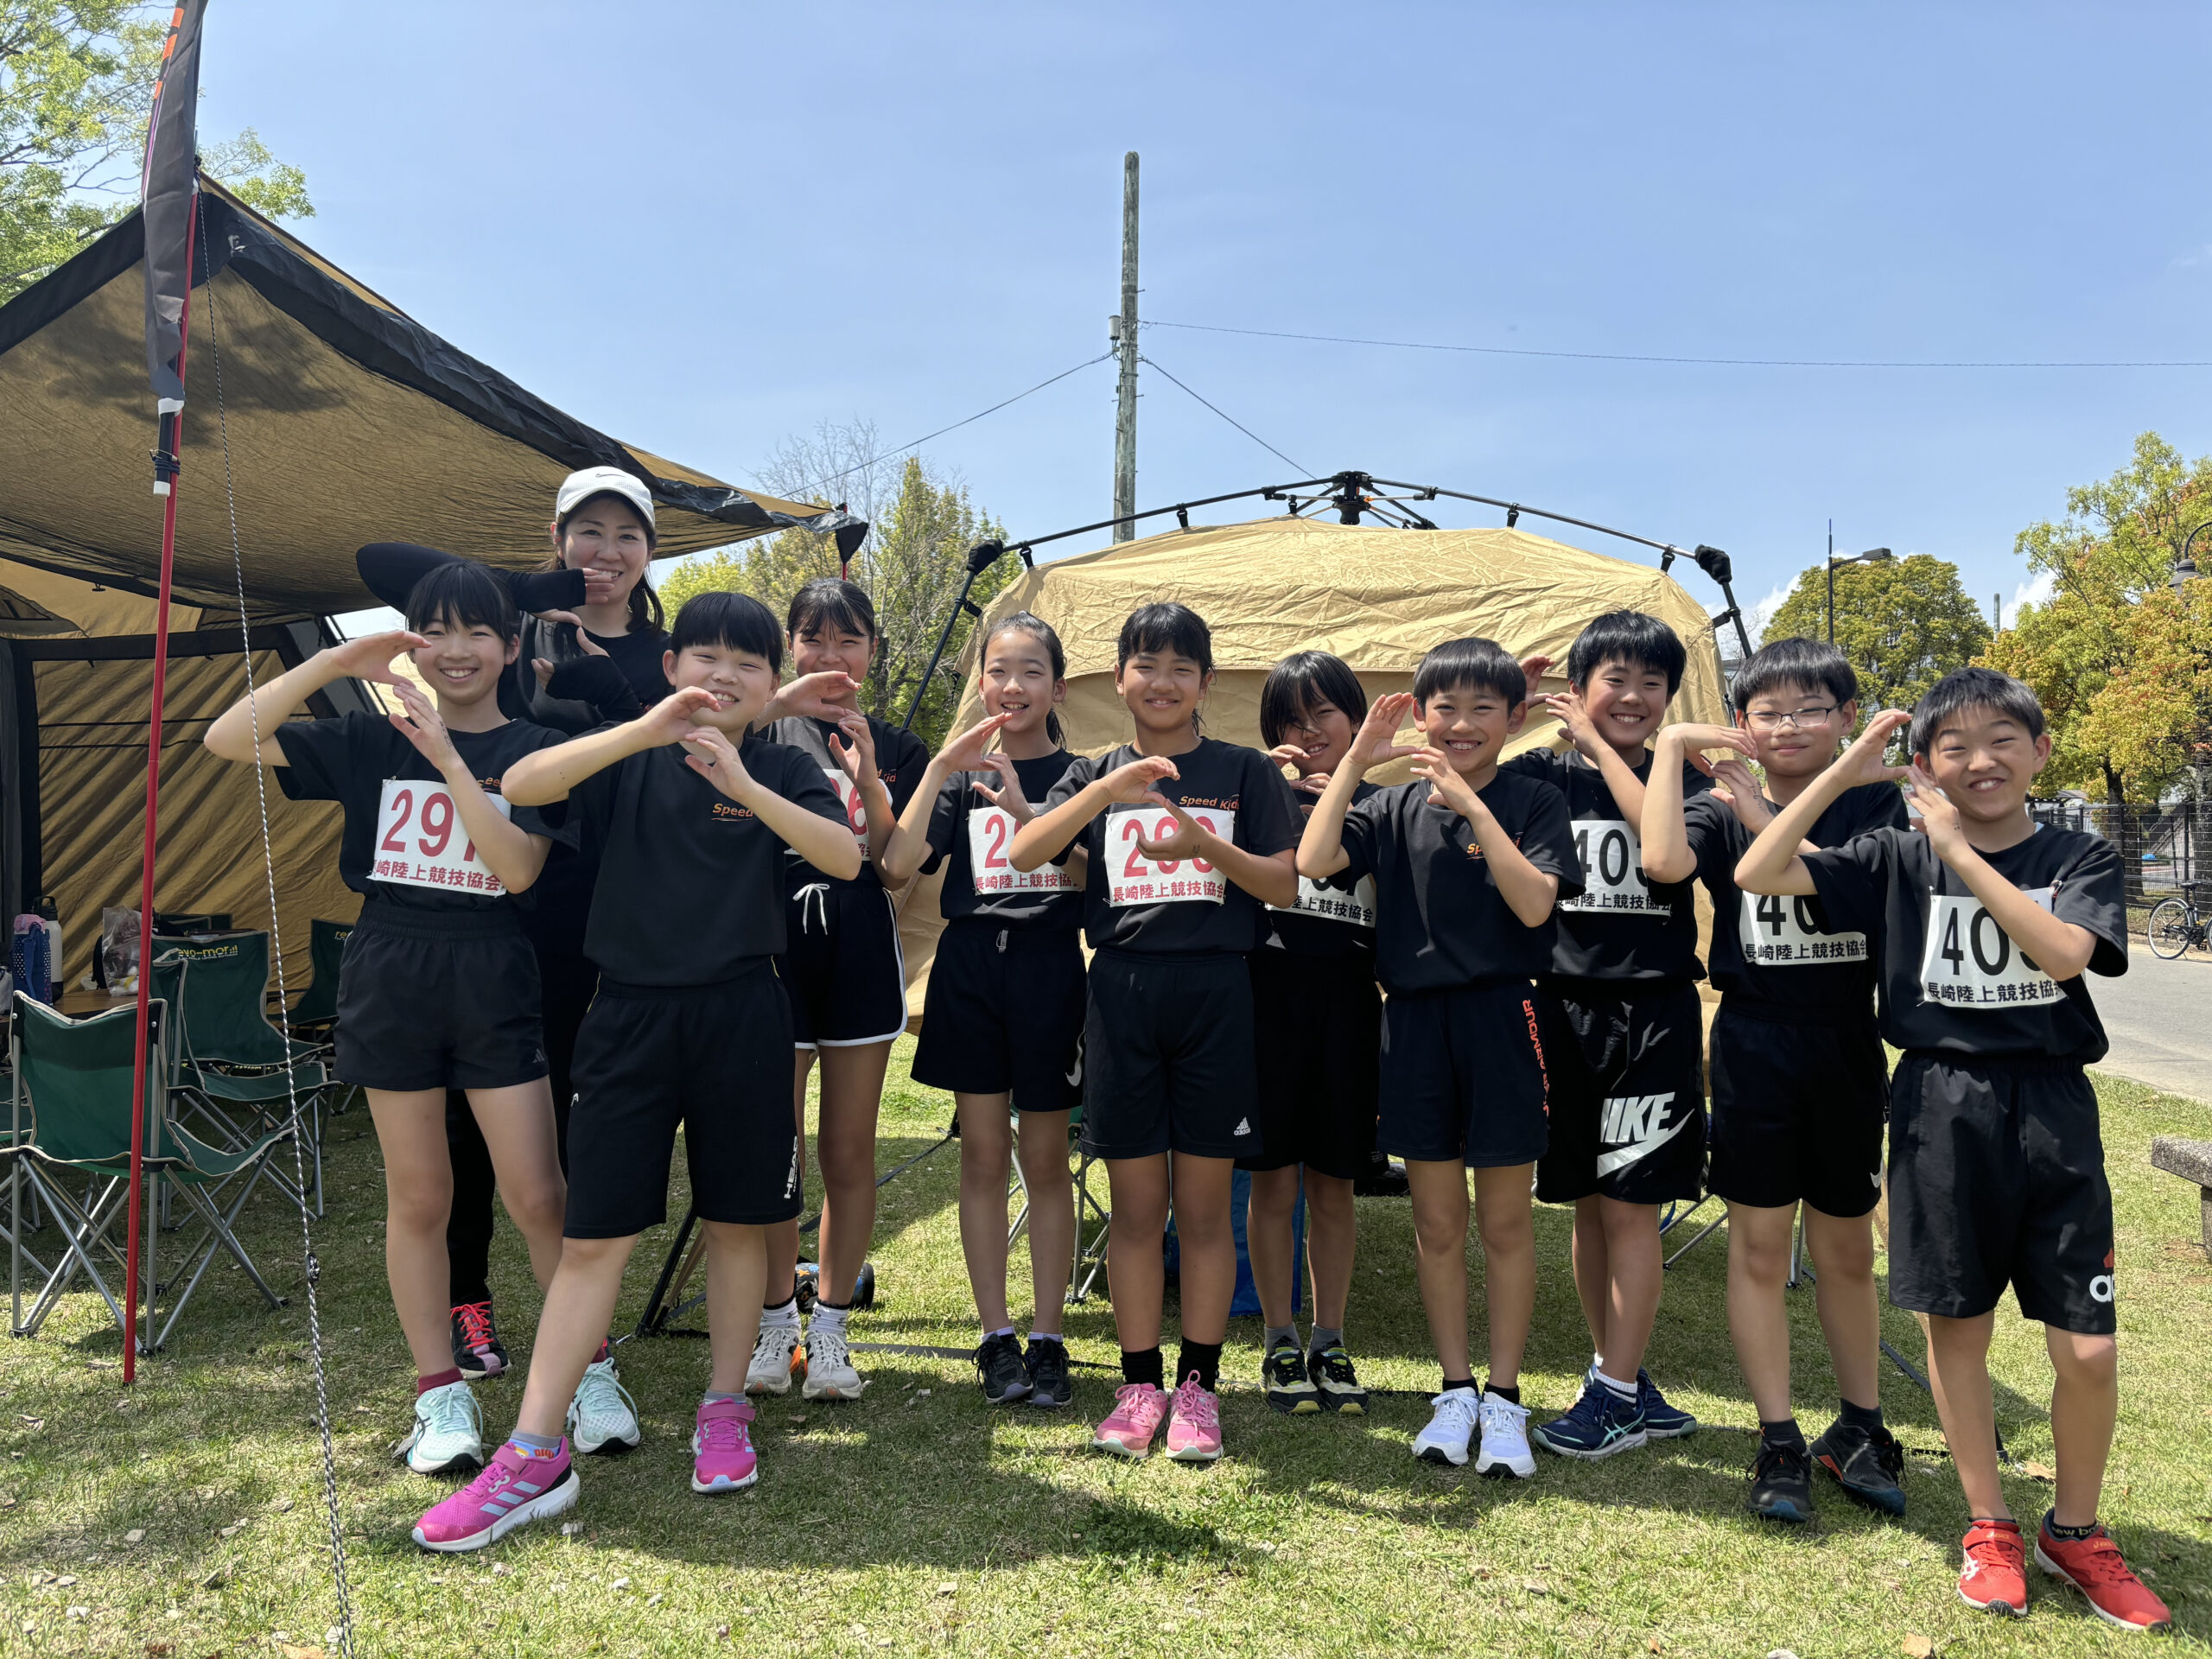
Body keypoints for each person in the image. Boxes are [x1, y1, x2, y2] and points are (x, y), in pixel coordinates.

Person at [411, 591, 861, 1551]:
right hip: (625, 1015)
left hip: (745, 1014)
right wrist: (644, 731)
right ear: (670, 668)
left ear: (770, 685)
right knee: (592, 1238)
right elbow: (523, 780)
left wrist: (743, 780)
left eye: (748, 662)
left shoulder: (783, 763)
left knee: (738, 1222)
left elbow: (844, 858)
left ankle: (724, 1409)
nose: (723, 675)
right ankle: (535, 1452)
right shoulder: (626, 754)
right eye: (705, 656)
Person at [1737, 669, 2170, 1633]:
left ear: (2039, 751)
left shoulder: (2077, 854)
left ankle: (2076, 1530)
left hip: (2052, 1107)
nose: (1980, 761)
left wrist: (1959, 853)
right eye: (1954, 747)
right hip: (1938, 1103)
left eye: (2001, 740)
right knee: (1956, 1328)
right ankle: (1990, 1525)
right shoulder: (1893, 852)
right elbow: (1759, 870)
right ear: (1924, 764)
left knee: (2088, 1346)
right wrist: (1843, 771)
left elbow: (2065, 954)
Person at [202, 562, 571, 1483]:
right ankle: (439, 1393)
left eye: (476, 631)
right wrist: (333, 664)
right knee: (419, 1198)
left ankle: (587, 1371)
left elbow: (518, 870)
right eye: (433, 630)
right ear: (410, 641)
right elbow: (226, 737)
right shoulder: (369, 736)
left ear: (511, 646)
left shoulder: (536, 748)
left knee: (538, 1194)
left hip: (491, 967)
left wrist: (449, 760)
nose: (455, 649)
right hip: (390, 969)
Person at [1007, 601, 1301, 1465]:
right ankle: (1139, 1387)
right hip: (1122, 994)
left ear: (1206, 682)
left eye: (1181, 667)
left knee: (1205, 1214)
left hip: (1218, 993)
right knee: (1136, 1212)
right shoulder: (1095, 770)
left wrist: (1202, 844)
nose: (1162, 682)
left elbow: (1283, 884)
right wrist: (1106, 791)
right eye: (1146, 664)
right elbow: (1025, 852)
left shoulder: (1244, 771)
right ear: (1119, 678)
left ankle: (1199, 1389)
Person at [1638, 636, 1909, 1524]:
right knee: (1757, 1249)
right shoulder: (1716, 806)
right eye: (1768, 712)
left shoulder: (1876, 803)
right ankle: (1778, 1436)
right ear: (1741, 722)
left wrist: (1777, 805)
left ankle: (1860, 1426)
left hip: (1845, 1041)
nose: (1789, 726)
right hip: (1754, 1042)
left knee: (1846, 1252)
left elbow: (1816, 880)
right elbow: (1662, 863)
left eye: (1810, 710)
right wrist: (1674, 749)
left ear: (1846, 717)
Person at [1298, 640, 1579, 1475]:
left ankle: (1505, 1397)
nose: (1461, 724)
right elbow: (1313, 860)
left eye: (1482, 709)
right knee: (1437, 1222)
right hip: (1415, 1023)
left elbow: (1534, 906)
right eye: (1444, 708)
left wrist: (1474, 808)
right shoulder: (1389, 807)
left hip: (1504, 1016)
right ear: (1419, 716)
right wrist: (1357, 759)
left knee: (1505, 1222)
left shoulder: (1533, 798)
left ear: (1514, 719)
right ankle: (1455, 1389)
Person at [1504, 612, 1708, 1459]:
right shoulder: (1541, 776)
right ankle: (1616, 1372)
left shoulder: (1682, 777)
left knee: (1632, 1210)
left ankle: (1617, 1394)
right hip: (1560, 1009)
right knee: (1589, 1207)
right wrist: (1509, 711)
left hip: (1650, 1014)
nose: (1631, 697)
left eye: (1650, 684)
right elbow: (1459, 776)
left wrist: (1600, 745)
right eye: (1613, 680)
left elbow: (1662, 854)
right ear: (1578, 686)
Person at [880, 613, 1085, 1408]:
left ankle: (1049, 1335)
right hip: (970, 968)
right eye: (998, 670)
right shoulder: (958, 778)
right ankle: (996, 1336)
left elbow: (1095, 878)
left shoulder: (1082, 774)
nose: (1013, 686)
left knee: (1047, 1160)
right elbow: (898, 865)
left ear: (1058, 687)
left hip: (1049, 971)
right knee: (982, 1157)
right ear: (981, 682)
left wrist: (1034, 814)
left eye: (1031, 671)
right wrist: (939, 766)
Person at [748, 578, 932, 1403]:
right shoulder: (757, 727)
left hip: (858, 946)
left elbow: (894, 867)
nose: (831, 656)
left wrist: (873, 783)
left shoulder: (898, 745)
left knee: (848, 1151)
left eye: (848, 640)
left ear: (873, 651)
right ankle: (773, 1320)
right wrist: (778, 703)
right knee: (774, 1149)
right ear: (790, 646)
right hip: (768, 948)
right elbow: (689, 743)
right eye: (813, 638)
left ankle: (830, 1327)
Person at [1243, 651, 1405, 1416]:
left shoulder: (1383, 806)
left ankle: (1330, 1338)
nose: (1308, 733)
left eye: (1322, 715)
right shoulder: (1256, 794)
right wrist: (1266, 788)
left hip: (1348, 1007)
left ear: (1356, 720)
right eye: (1290, 720)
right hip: (1264, 1004)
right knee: (1273, 1182)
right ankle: (1279, 1338)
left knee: (1336, 1185)